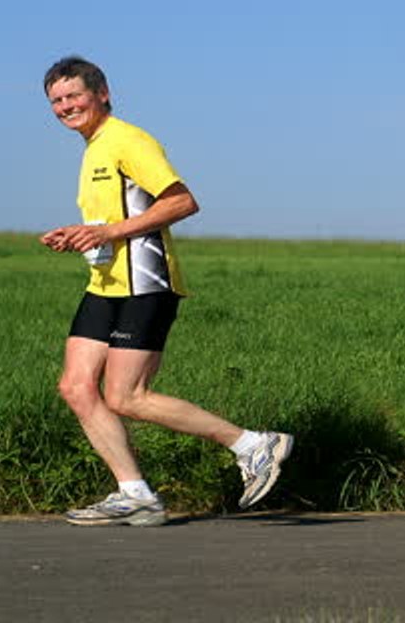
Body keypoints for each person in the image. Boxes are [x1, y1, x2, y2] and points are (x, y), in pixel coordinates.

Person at [40, 57, 293, 526]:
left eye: (74, 95)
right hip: (105, 284)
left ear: (102, 93)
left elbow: (181, 201)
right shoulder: (93, 148)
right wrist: (80, 235)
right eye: (56, 100)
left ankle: (252, 444)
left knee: (127, 396)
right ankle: (135, 494)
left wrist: (107, 232)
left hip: (145, 284)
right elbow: (112, 221)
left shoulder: (128, 140)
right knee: (75, 386)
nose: (65, 106)